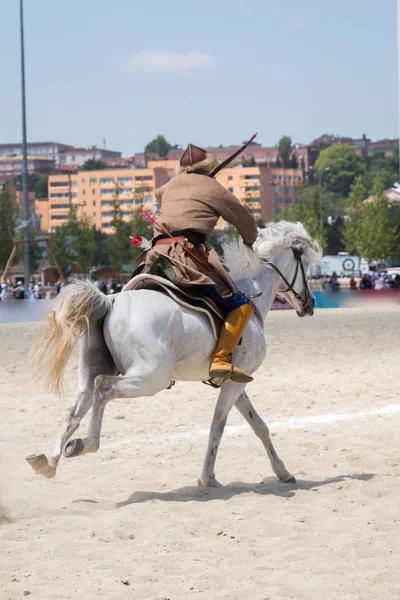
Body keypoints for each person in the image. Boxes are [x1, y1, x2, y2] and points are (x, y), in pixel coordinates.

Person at [144, 140, 258, 383]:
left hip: (153, 258)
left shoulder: (169, 187)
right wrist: (250, 240)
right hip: (187, 257)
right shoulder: (212, 187)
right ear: (209, 168)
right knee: (240, 305)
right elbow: (246, 224)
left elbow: (158, 192)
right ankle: (221, 359)